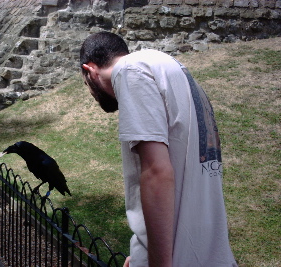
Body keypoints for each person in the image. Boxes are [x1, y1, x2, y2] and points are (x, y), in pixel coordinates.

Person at [80, 32, 237, 267]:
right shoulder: (169, 66)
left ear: (90, 70)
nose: (92, 93)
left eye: (86, 84)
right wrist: (146, 252)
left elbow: (157, 172)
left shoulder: (129, 71)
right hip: (210, 255)